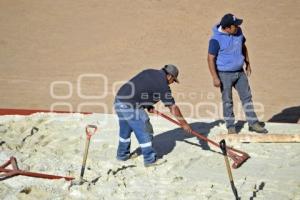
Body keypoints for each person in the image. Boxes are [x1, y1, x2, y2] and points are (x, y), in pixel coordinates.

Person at [114, 64, 192, 167]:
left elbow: (141, 88)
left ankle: (122, 155)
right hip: (131, 106)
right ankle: (150, 159)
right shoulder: (163, 85)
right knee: (146, 130)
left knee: (125, 130)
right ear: (169, 76)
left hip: (119, 101)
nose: (172, 83)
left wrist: (147, 105)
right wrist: (184, 123)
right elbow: (172, 107)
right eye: (173, 80)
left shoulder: (149, 72)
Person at [207, 13, 268, 134]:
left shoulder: (238, 33)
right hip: (224, 74)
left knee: (247, 98)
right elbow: (210, 58)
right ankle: (230, 126)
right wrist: (215, 77)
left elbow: (243, 46)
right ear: (228, 28)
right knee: (227, 100)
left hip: (240, 72)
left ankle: (253, 123)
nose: (238, 27)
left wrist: (247, 62)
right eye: (235, 25)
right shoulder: (215, 40)